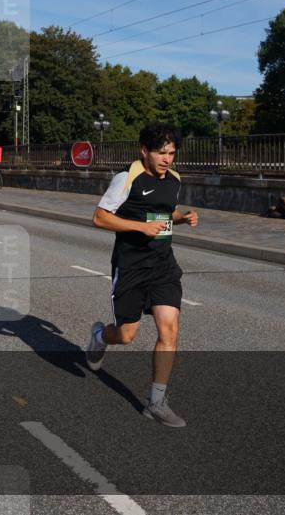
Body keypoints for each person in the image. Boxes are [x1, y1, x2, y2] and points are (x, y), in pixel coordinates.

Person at [84, 122, 199, 428]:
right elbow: (99, 217)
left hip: (163, 265)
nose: (167, 159)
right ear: (144, 151)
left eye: (172, 153)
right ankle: (99, 337)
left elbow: (162, 212)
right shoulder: (127, 177)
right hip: (131, 265)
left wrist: (181, 217)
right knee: (126, 335)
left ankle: (156, 402)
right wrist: (140, 227)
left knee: (169, 329)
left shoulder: (173, 179)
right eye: (161, 153)